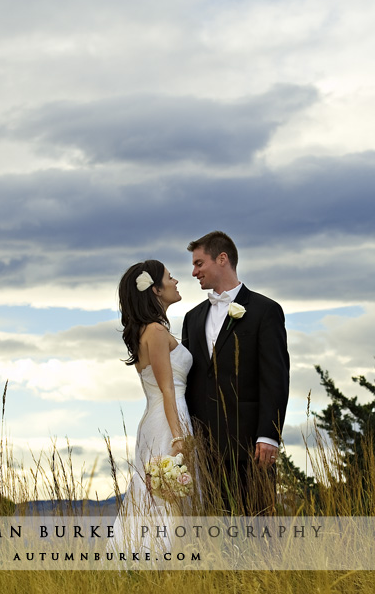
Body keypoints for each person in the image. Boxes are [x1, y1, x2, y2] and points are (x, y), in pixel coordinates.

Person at [182, 231, 289, 515]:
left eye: (199, 263)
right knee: (216, 527)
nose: (194, 272)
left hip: (250, 443)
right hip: (205, 445)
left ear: (222, 258)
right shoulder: (192, 318)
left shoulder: (266, 311)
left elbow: (275, 377)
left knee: (258, 525)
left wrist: (268, 435)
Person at [112, 259, 194, 552]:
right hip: (165, 421)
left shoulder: (150, 331)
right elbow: (167, 388)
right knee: (162, 498)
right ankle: (151, 558)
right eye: (171, 278)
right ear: (156, 289)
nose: (176, 282)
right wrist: (178, 437)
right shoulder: (156, 332)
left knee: (158, 496)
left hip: (159, 417)